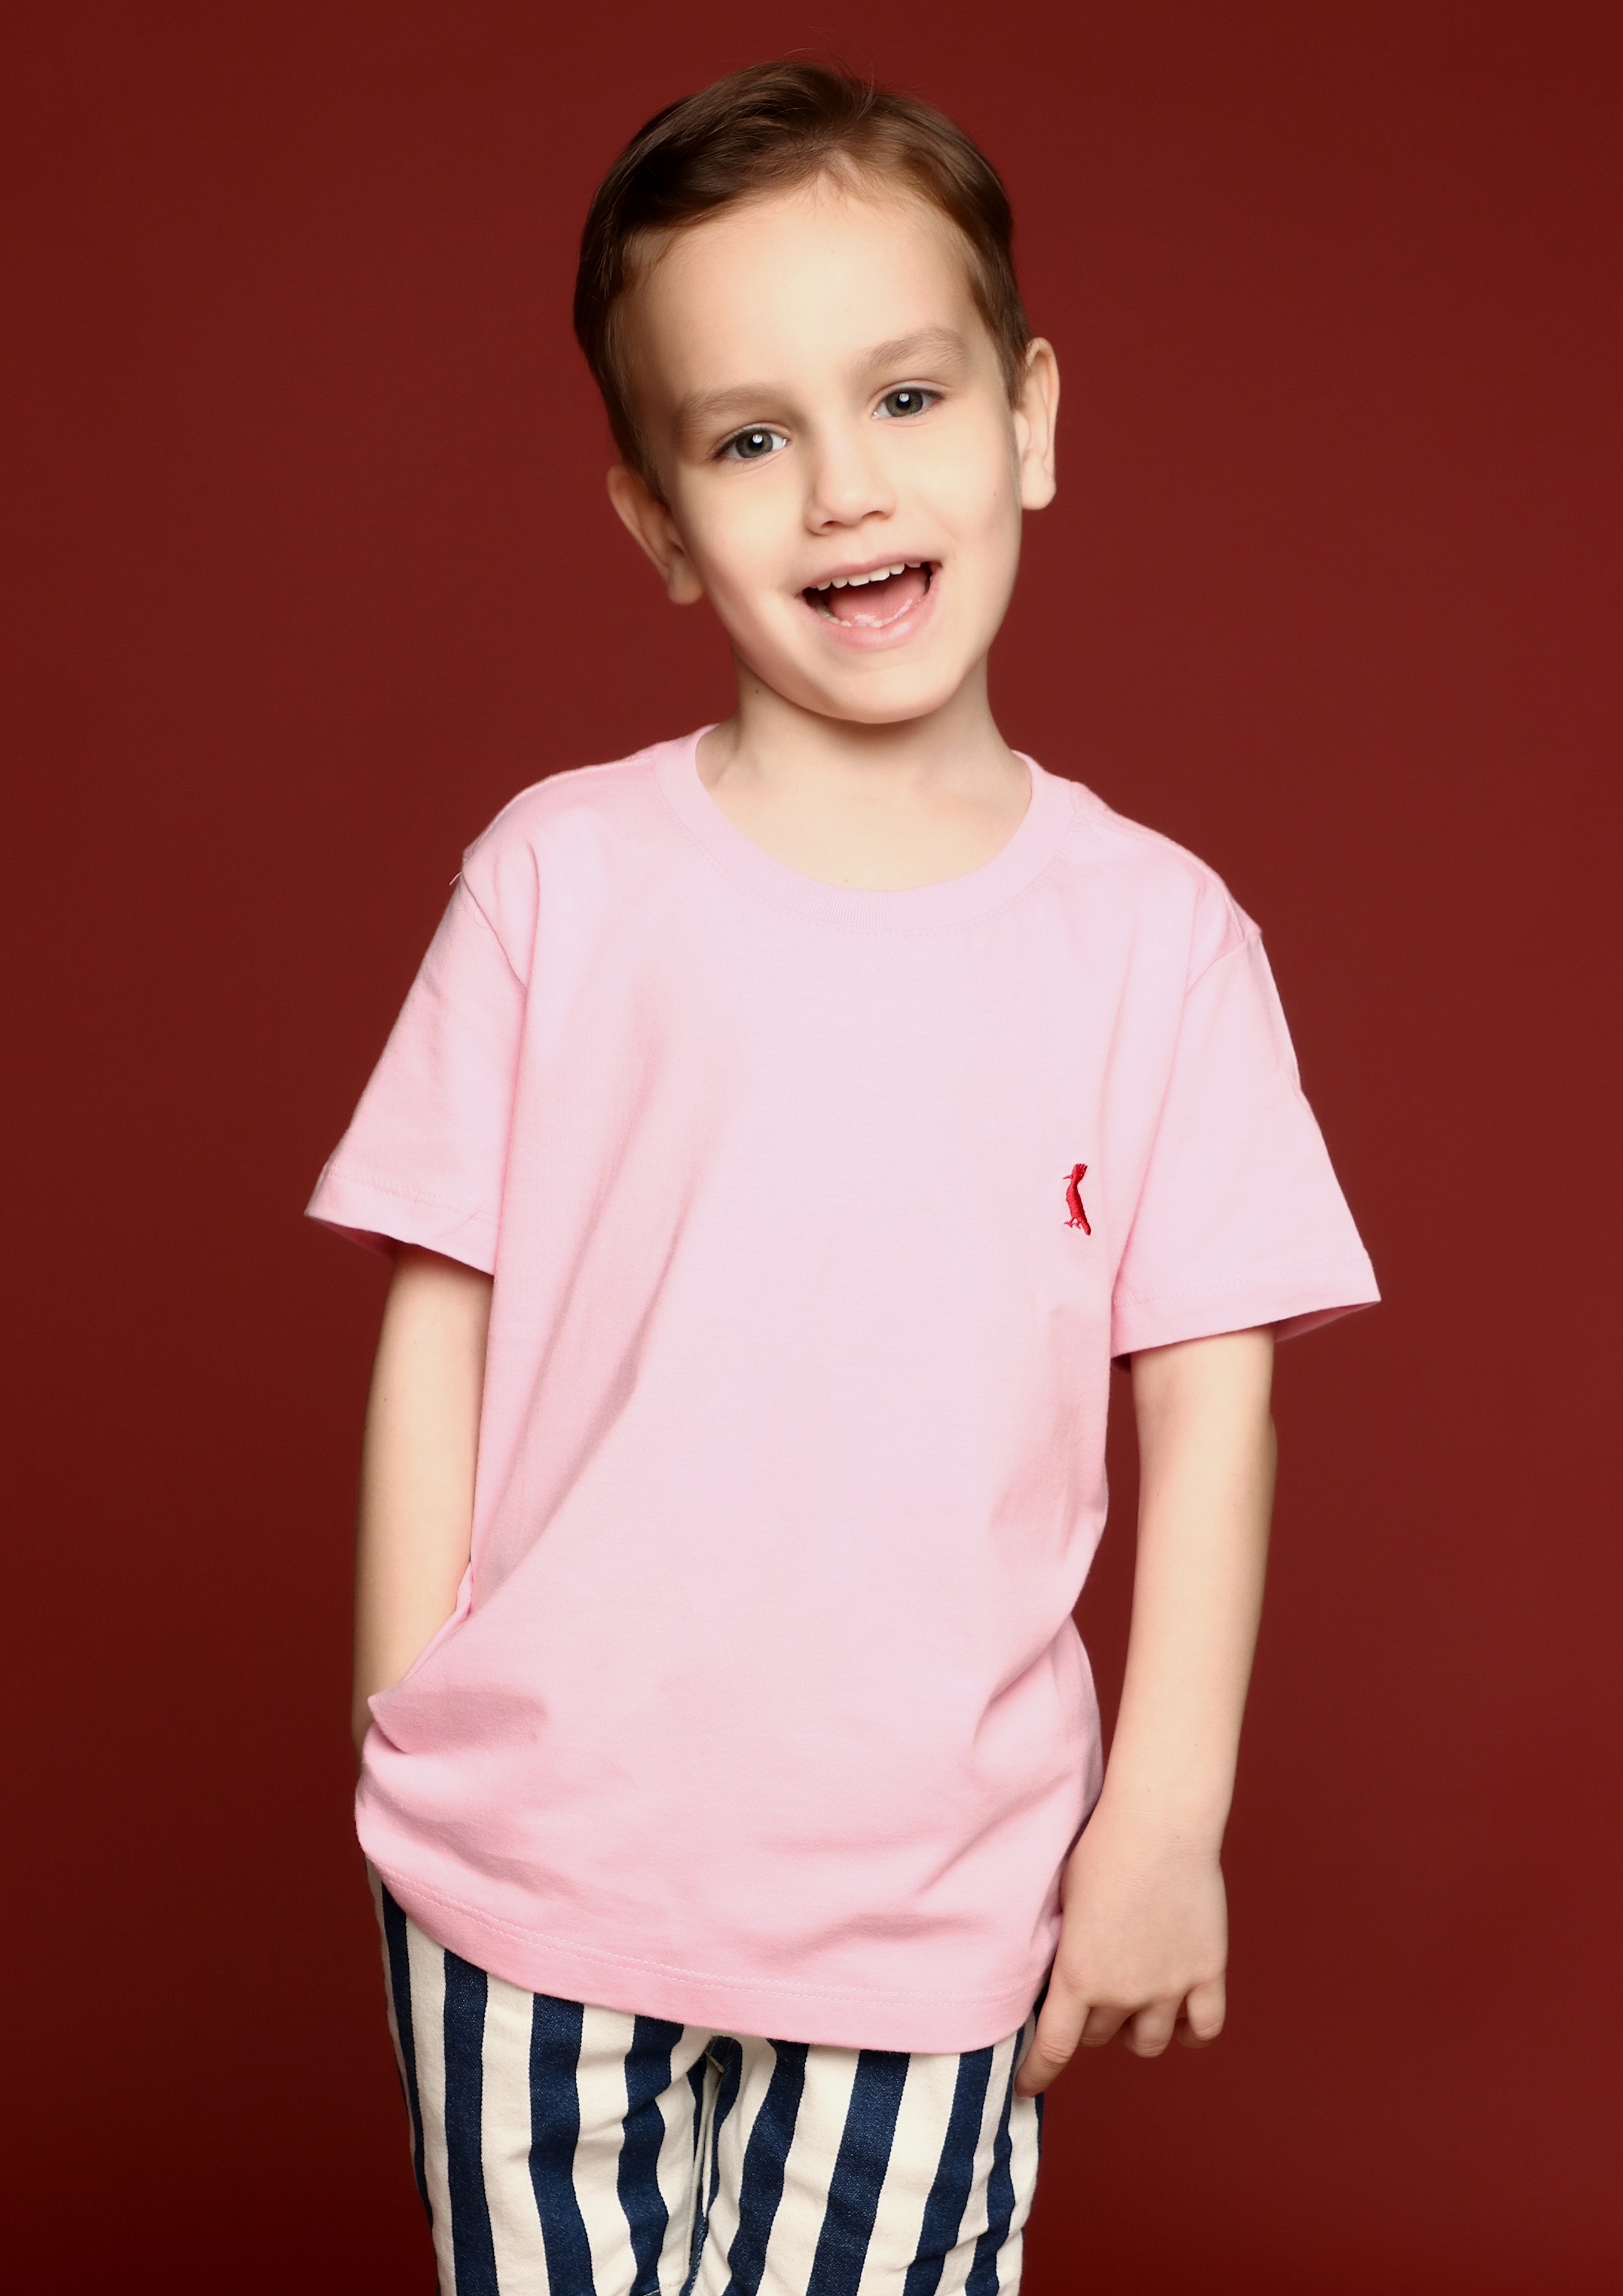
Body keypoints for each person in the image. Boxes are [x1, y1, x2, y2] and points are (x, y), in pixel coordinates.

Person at [308, 58, 1378, 2296]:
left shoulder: (1157, 942)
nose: (842, 487)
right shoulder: (560, 879)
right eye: (748, 437)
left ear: (1029, 418)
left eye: (903, 395)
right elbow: (443, 1312)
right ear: (654, 521)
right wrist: (405, 1715)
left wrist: (1162, 1821)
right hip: (528, 1881)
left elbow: (1213, 1405)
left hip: (926, 1908)